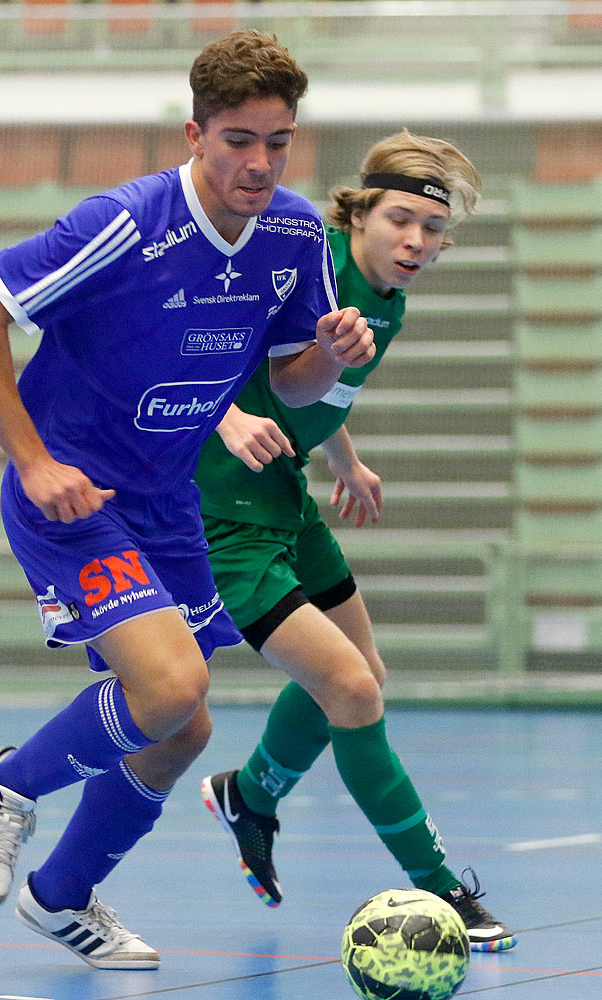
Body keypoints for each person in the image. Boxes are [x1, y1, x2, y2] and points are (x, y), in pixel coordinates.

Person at [0, 31, 374, 971]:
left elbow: (289, 386)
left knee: (183, 728)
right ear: (195, 134)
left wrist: (328, 356)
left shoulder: (296, 235)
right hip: (72, 496)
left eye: (279, 141)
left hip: (166, 502)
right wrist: (30, 461)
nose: (260, 163)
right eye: (238, 140)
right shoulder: (126, 223)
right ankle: (8, 781)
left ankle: (59, 898)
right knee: (173, 686)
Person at [194, 131, 516, 951]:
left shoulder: (389, 300)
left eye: (432, 230)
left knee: (364, 675)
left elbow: (317, 384)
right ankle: (443, 891)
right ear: (359, 212)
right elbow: (242, 355)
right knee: (356, 695)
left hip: (284, 491)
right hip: (220, 512)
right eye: (400, 220)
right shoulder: (307, 261)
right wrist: (230, 416)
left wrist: (345, 454)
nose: (415, 241)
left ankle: (251, 795)